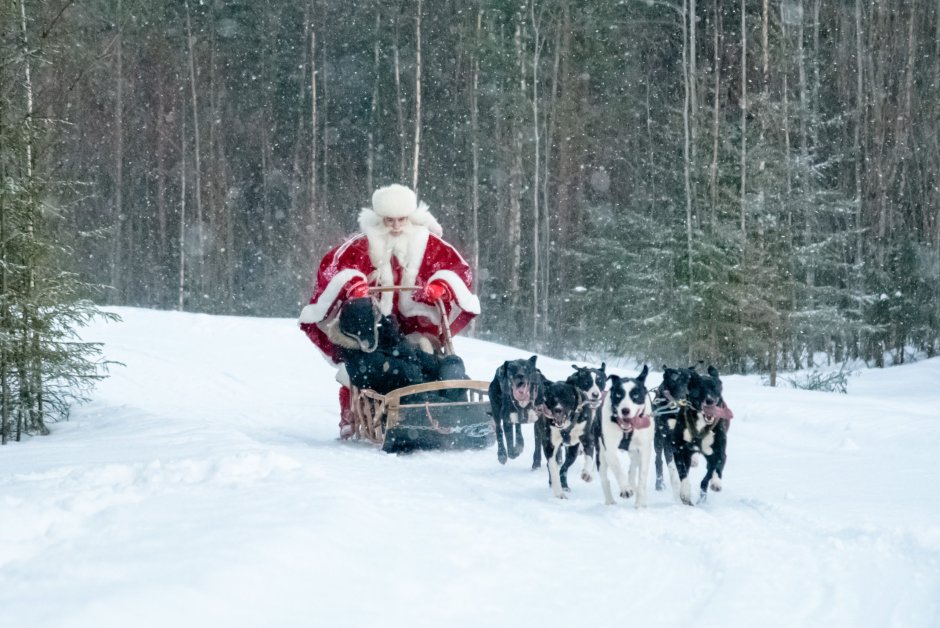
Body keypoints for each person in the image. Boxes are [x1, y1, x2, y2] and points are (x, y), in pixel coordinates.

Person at [299, 183, 481, 438]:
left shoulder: (431, 245)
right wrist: (354, 284)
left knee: (429, 359)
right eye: (389, 221)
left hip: (416, 327)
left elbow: (458, 270)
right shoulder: (359, 246)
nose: (396, 227)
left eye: (402, 220)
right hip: (373, 325)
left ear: (412, 216)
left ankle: (435, 407)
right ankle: (351, 411)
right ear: (378, 218)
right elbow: (334, 270)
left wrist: (441, 287)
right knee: (361, 361)